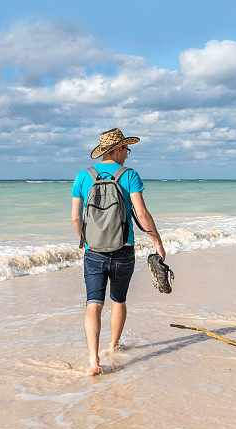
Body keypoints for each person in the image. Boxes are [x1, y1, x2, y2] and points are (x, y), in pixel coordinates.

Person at [71, 128, 166, 375]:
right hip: (124, 250)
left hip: (94, 253)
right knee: (119, 300)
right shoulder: (130, 175)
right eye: (126, 148)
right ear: (116, 149)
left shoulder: (83, 176)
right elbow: (142, 214)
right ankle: (113, 346)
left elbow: (74, 218)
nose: (128, 154)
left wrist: (87, 241)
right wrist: (157, 241)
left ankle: (93, 361)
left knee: (93, 304)